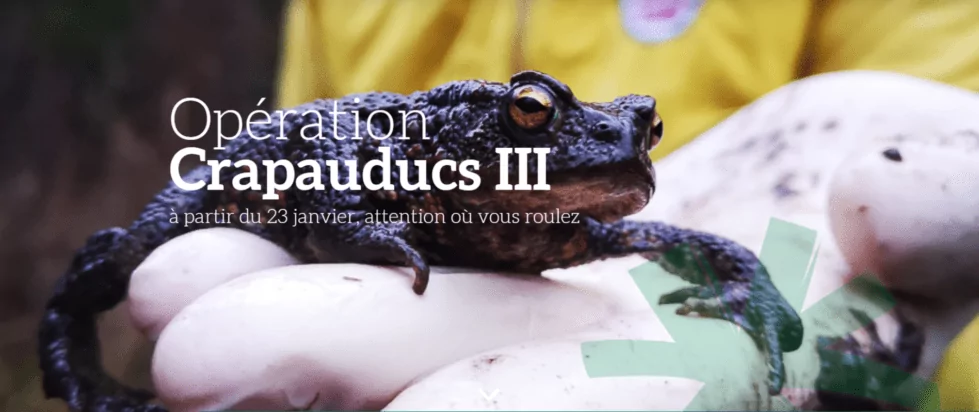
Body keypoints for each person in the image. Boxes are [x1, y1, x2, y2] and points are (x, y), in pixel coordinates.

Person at [133, 0, 979, 410]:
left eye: (644, 134)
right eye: (536, 116)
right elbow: (314, 134)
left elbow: (721, 253)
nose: (624, 148)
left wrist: (761, 304)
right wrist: (347, 223)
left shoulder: (591, 230)